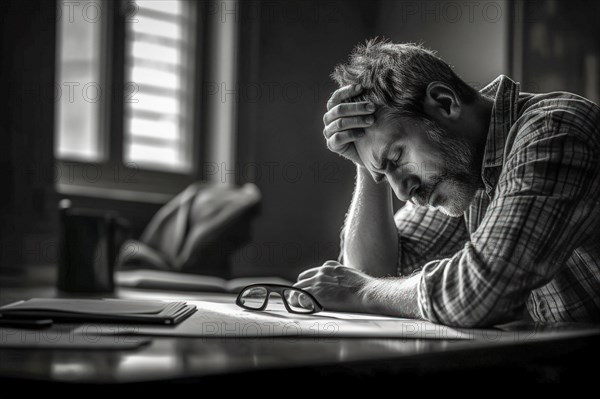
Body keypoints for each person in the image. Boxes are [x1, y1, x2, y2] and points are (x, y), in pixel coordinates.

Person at [294, 39, 600, 327]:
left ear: (444, 103)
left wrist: (361, 292)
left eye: (397, 157)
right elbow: (378, 275)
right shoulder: (465, 168)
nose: (401, 190)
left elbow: (482, 290)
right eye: (385, 174)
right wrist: (368, 166)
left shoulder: (554, 131)